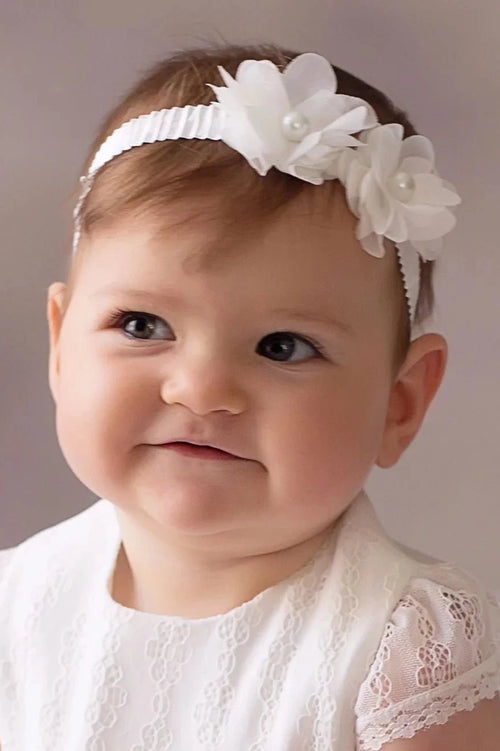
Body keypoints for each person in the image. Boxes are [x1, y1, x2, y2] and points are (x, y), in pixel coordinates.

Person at [0, 42, 499, 750]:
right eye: (142, 325)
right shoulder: (18, 603)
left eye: (283, 346)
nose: (201, 387)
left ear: (400, 403)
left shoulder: (402, 650)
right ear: (61, 346)